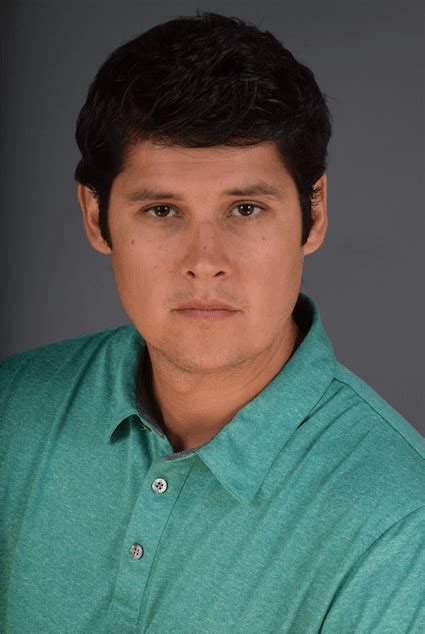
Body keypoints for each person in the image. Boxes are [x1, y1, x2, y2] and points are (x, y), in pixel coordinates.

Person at [1, 10, 424, 633]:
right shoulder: (10, 412)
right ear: (96, 216)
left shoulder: (401, 523)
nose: (204, 261)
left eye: (245, 208)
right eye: (162, 209)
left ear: (314, 213)